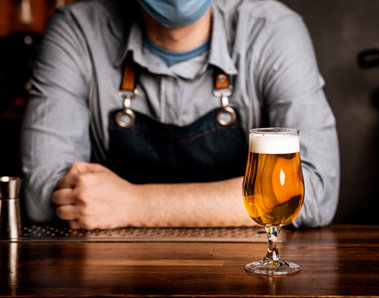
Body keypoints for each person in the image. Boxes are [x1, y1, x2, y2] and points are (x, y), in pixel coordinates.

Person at [20, 0, 340, 230]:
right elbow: (42, 193)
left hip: (243, 271)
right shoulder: (77, 29)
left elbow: (315, 190)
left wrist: (135, 205)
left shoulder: (272, 28)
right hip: (113, 272)